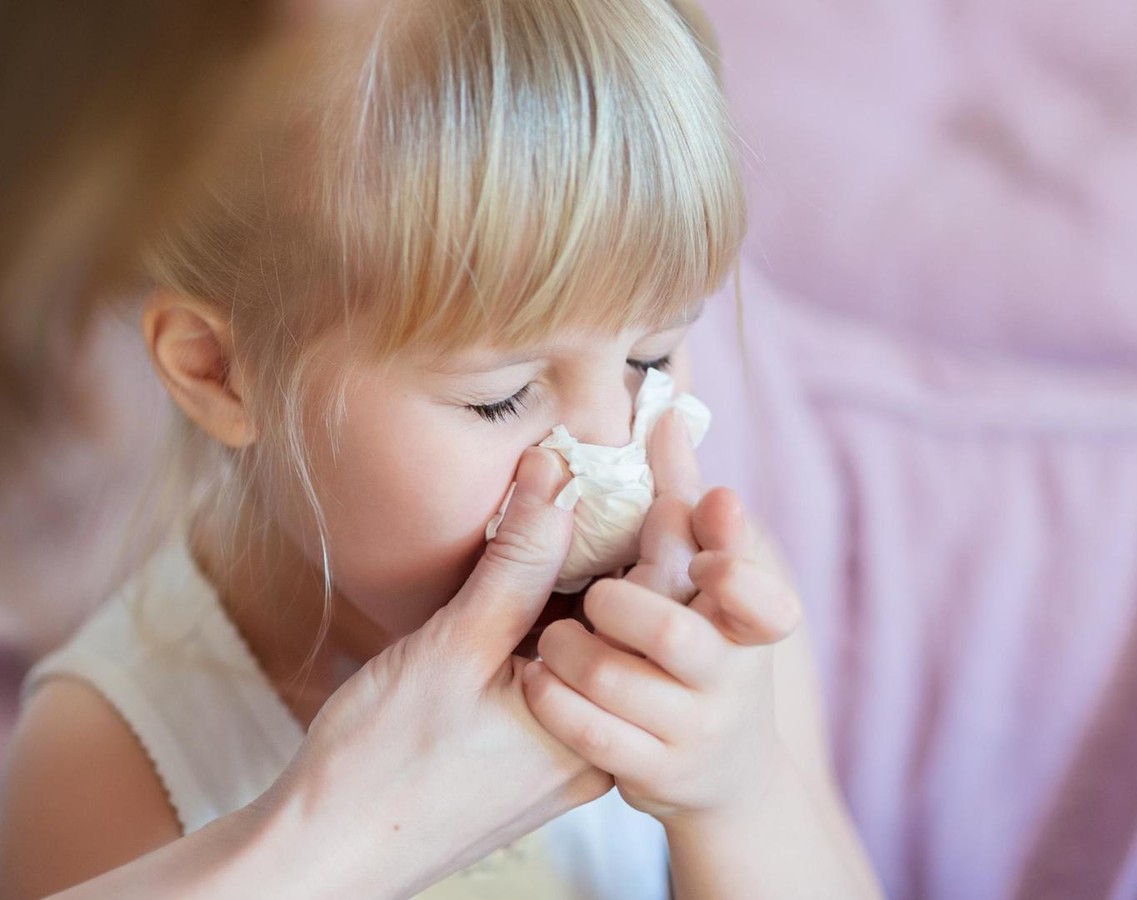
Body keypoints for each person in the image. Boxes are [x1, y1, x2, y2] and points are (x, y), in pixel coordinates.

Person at [0, 0, 879, 897]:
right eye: (499, 399)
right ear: (221, 371)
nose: (615, 450)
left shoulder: (700, 625)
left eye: (651, 357)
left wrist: (740, 794)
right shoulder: (114, 751)